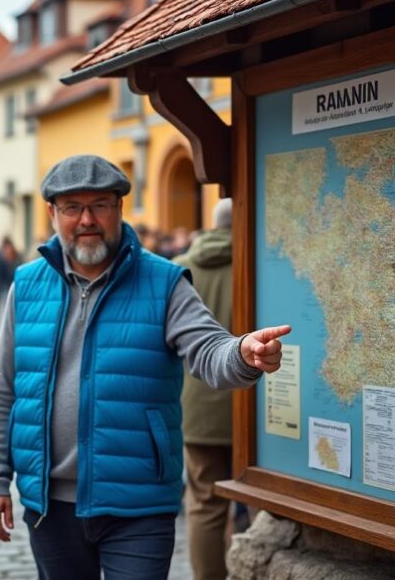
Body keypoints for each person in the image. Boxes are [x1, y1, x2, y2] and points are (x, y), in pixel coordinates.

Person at [0, 155, 291, 580]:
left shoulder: (163, 281)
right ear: (52, 213)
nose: (87, 219)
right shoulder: (27, 285)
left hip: (139, 503)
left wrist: (241, 354)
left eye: (100, 205)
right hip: (49, 504)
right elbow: (3, 391)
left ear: (119, 208)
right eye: (73, 207)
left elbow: (207, 347)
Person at [173, 199, 235, 580]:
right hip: (253, 408)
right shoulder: (257, 259)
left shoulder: (181, 267)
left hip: (196, 406)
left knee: (204, 503)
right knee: (261, 504)